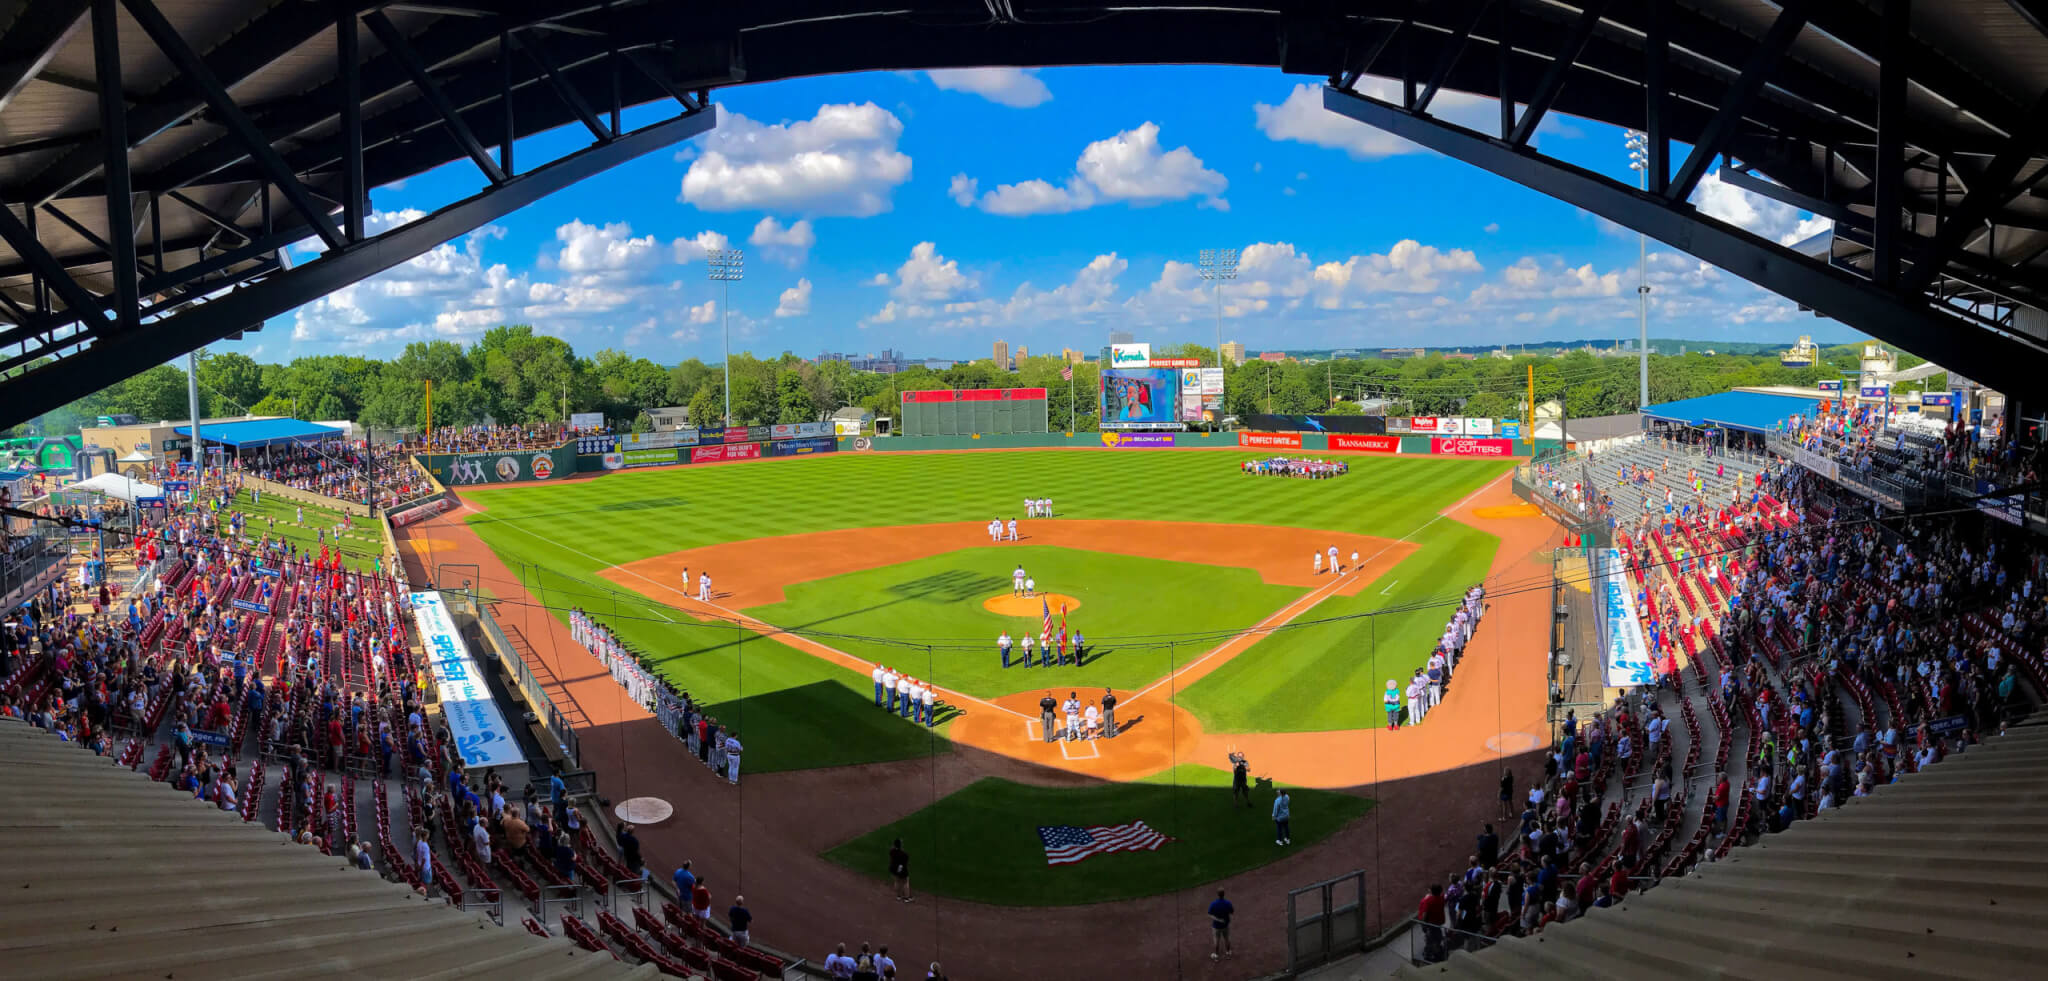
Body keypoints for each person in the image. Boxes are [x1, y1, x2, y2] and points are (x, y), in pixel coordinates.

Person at [1208, 887, 1234, 961]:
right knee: (1227, 939)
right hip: (1225, 925)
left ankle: (1216, 955)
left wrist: (1218, 919)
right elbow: (1232, 912)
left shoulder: (1213, 904)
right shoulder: (1228, 903)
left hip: (1216, 926)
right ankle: (1228, 952)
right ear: (1224, 894)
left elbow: (1210, 914)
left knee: (1216, 940)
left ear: (1217, 894)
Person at [889, 838, 911, 903]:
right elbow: (905, 863)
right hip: (902, 870)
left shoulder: (891, 851)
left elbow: (892, 851)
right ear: (900, 845)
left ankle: (898, 896)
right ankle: (906, 898)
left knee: (896, 881)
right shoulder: (905, 854)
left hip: (894, 869)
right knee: (906, 883)